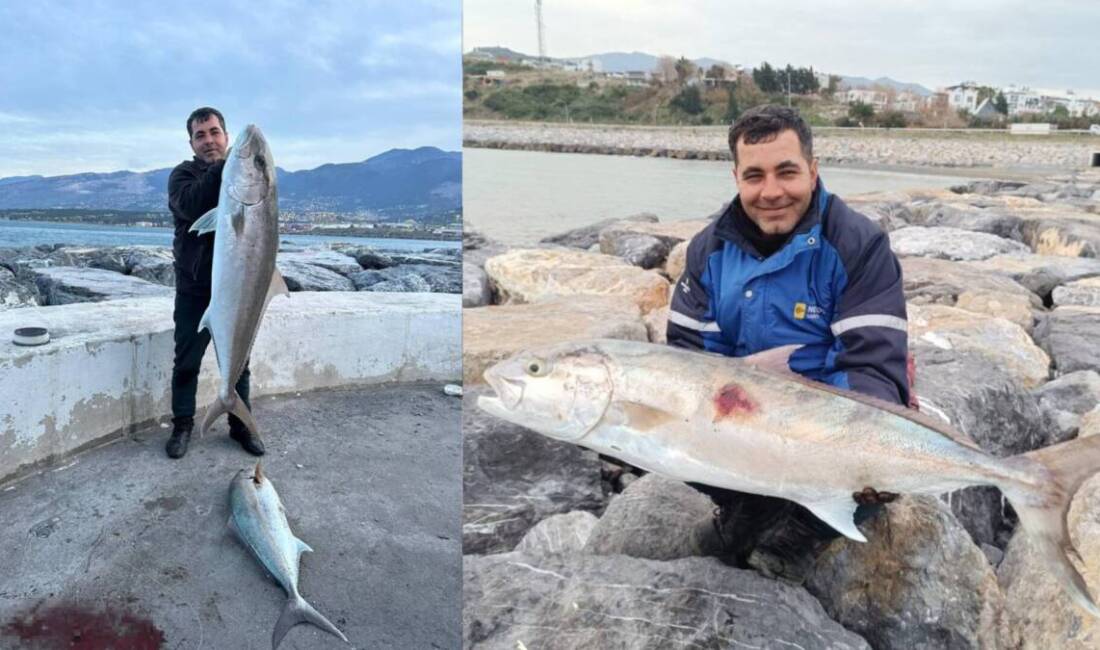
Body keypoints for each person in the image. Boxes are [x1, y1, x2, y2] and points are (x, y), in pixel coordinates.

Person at [666, 104, 910, 583]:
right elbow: (687, 358)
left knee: (884, 465)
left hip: (831, 415)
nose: (771, 191)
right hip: (742, 417)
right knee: (666, 430)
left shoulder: (857, 245)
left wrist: (850, 448)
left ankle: (803, 529)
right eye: (754, 175)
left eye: (787, 172)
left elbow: (873, 366)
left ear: (814, 170)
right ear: (735, 176)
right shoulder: (708, 250)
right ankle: (744, 506)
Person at [164, 107, 264, 459]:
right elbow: (192, 206)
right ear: (191, 142)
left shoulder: (243, 176)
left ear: (225, 135)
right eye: (200, 135)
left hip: (235, 291)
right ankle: (182, 425)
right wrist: (232, 165)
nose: (209, 140)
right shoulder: (182, 176)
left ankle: (241, 425)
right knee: (186, 361)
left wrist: (242, 166)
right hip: (194, 290)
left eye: (215, 132)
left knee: (239, 364)